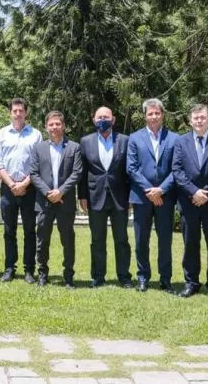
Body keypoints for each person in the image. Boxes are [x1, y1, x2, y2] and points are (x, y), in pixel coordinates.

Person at [172, 103, 208, 298]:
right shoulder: (181, 142)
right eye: (196, 118)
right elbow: (177, 171)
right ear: (190, 121)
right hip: (189, 203)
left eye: (203, 117)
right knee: (190, 244)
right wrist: (193, 192)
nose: (199, 121)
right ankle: (191, 283)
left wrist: (206, 193)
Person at [126, 98, 179, 292]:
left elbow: (177, 169)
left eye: (157, 113)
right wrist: (150, 190)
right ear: (145, 116)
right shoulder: (134, 138)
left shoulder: (174, 139)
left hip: (165, 197)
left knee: (165, 240)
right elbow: (131, 168)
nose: (154, 116)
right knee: (141, 240)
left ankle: (165, 279)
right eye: (150, 113)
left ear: (162, 114)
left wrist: (161, 190)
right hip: (141, 197)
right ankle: (142, 277)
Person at [78, 106, 132, 288]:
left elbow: (130, 172)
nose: (103, 120)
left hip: (120, 197)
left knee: (122, 240)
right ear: (94, 120)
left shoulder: (125, 141)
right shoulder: (86, 142)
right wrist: (82, 196)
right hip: (95, 197)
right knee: (97, 240)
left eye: (106, 117)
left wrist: (131, 196)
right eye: (100, 117)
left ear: (113, 120)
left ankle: (124, 277)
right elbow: (83, 172)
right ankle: (98, 277)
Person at [0, 98, 42, 284]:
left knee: (30, 230)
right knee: (8, 230)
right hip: (7, 188)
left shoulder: (35, 134)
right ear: (10, 113)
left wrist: (24, 184)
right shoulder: (1, 134)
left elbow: (38, 163)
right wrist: (12, 184)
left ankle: (29, 270)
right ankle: (9, 269)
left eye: (21, 110)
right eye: (15, 111)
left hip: (30, 188)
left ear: (26, 112)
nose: (18, 113)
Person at [30, 111, 82, 288]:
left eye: (57, 124)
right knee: (42, 240)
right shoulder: (38, 148)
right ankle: (42, 274)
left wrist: (60, 192)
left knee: (67, 240)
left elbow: (76, 173)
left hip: (65, 202)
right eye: (51, 124)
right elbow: (34, 174)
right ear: (46, 127)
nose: (54, 127)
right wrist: (48, 193)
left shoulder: (73, 148)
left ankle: (68, 276)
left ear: (63, 126)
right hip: (44, 202)